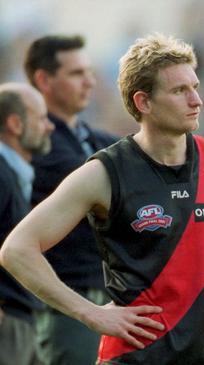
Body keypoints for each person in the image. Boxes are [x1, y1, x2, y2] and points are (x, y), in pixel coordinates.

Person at [1, 34, 204, 365]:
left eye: (195, 87)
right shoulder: (104, 172)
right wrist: (90, 313)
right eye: (180, 91)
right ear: (143, 102)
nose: (196, 100)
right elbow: (17, 250)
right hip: (134, 358)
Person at [23, 34, 118, 365]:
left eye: (89, 72)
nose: (89, 82)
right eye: (77, 73)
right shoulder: (37, 147)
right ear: (43, 80)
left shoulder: (95, 140)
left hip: (106, 305)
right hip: (68, 306)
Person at [0, 83, 53, 365]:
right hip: (9, 323)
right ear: (15, 124)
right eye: (41, 118)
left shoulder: (14, 173)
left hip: (23, 320)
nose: (49, 127)